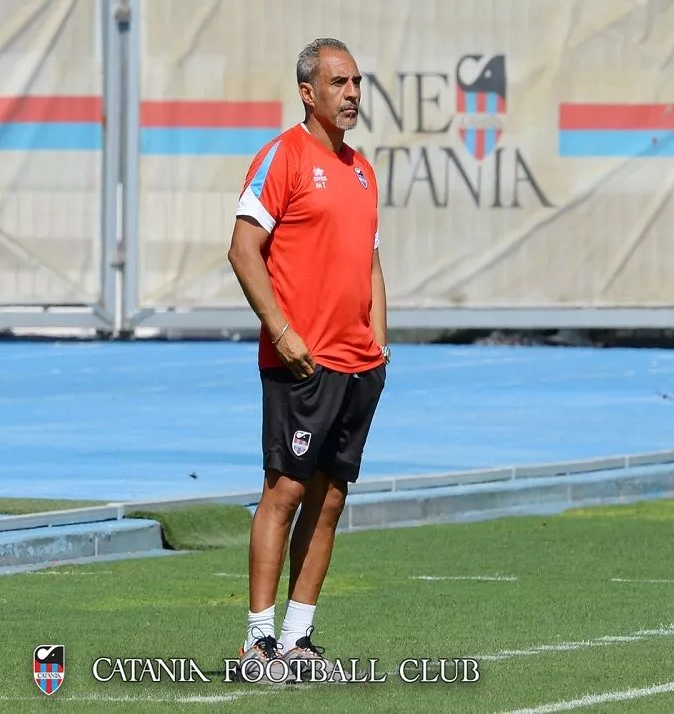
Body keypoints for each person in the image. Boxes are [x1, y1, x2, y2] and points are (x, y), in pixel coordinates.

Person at [226, 37, 389, 683]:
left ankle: (298, 641)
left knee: (329, 500)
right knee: (286, 490)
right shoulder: (282, 158)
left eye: (357, 83)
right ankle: (256, 643)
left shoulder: (362, 170)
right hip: (302, 364)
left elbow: (370, 261)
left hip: (358, 365)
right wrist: (283, 332)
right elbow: (243, 249)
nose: (352, 94)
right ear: (308, 92)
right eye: (340, 83)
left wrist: (379, 339)